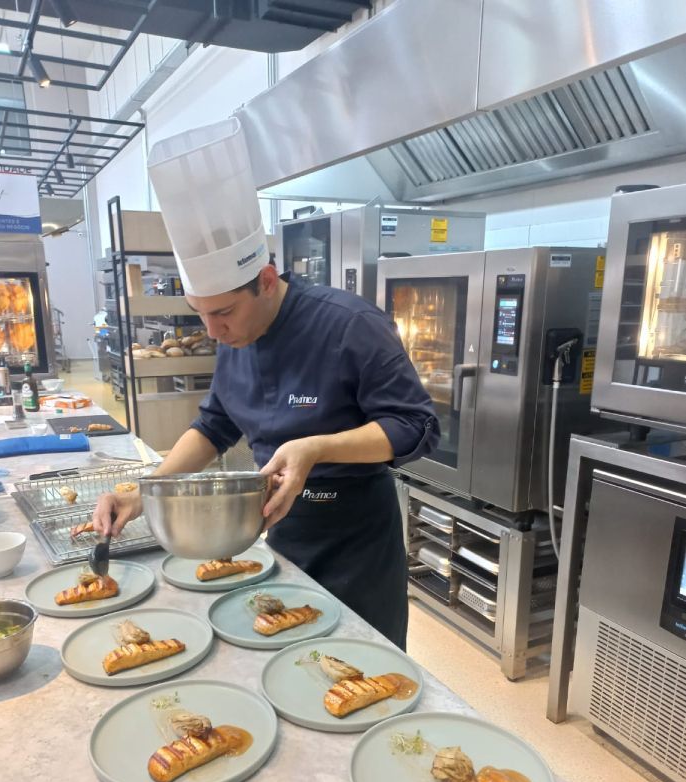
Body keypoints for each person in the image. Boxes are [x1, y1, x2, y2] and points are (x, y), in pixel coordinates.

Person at [93, 119, 439, 649]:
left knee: (363, 678)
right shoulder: (234, 337)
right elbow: (214, 425)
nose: (213, 331)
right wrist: (148, 490)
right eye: (200, 315)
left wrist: (315, 447)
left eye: (224, 312)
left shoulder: (349, 325)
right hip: (281, 537)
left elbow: (416, 425)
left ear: (267, 282)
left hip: (356, 548)